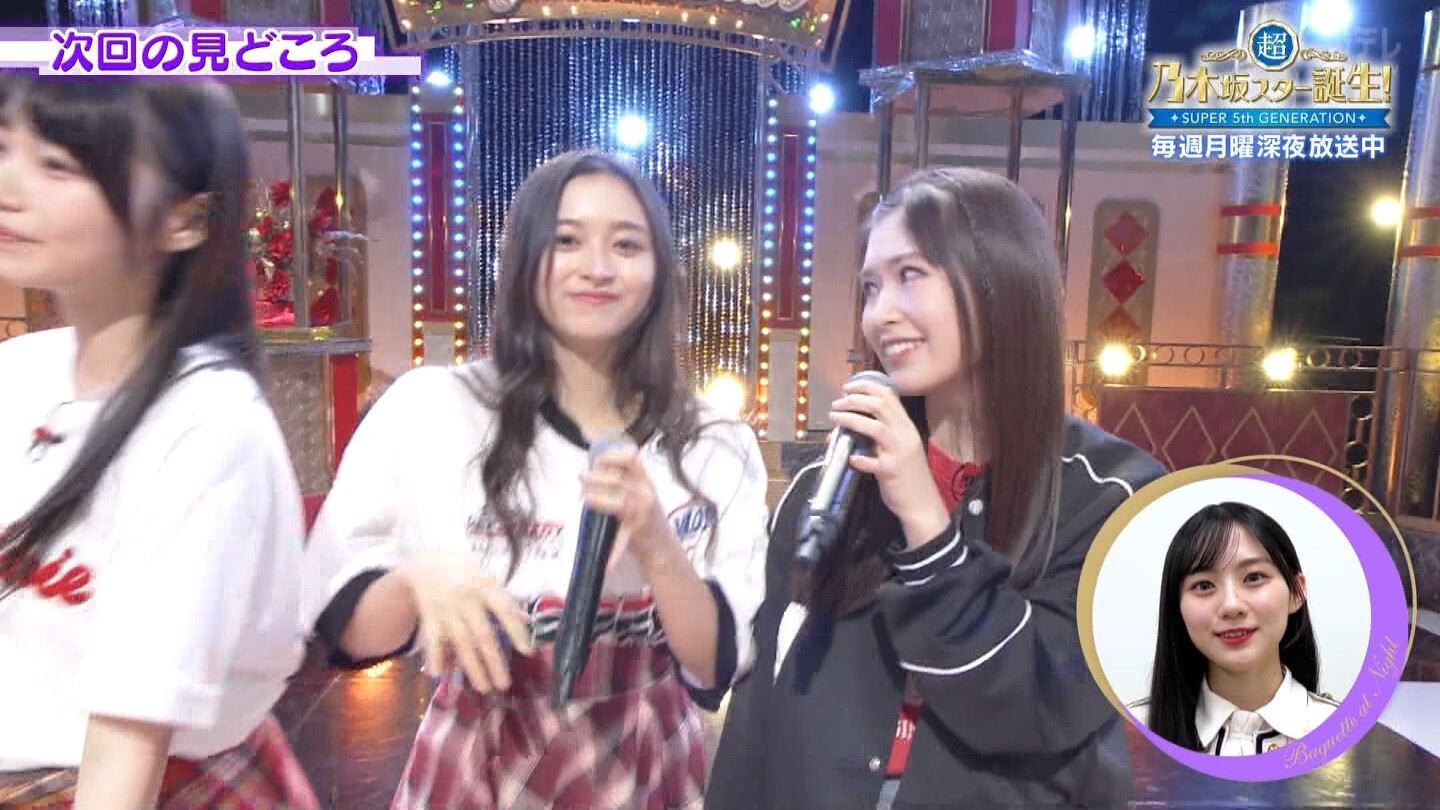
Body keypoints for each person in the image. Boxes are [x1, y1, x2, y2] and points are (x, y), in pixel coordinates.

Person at [301, 149, 769, 810]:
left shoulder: (715, 442)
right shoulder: (434, 410)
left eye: (627, 245)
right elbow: (347, 634)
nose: (597, 267)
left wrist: (657, 543)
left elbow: (715, 664)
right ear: (520, 259)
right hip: (480, 757)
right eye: (566, 240)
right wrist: (413, 580)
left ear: (662, 270)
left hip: (646, 758)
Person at [707, 167, 1167, 810]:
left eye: (910, 275)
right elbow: (756, 724)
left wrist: (925, 519)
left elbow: (1030, 708)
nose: (881, 314)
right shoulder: (828, 484)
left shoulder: (1115, 498)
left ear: (1001, 282)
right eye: (871, 287)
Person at [0, 75, 318, 808]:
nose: (11, 187)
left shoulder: (207, 424)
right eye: (5, 151)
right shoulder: (19, 371)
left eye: (59, 167)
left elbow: (129, 739)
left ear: (184, 221)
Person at [1127, 501, 1337, 756]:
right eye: (1204, 585)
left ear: (1296, 592)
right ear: (1177, 607)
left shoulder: (1346, 731)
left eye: (1254, 577)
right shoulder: (1130, 734)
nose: (1231, 605)